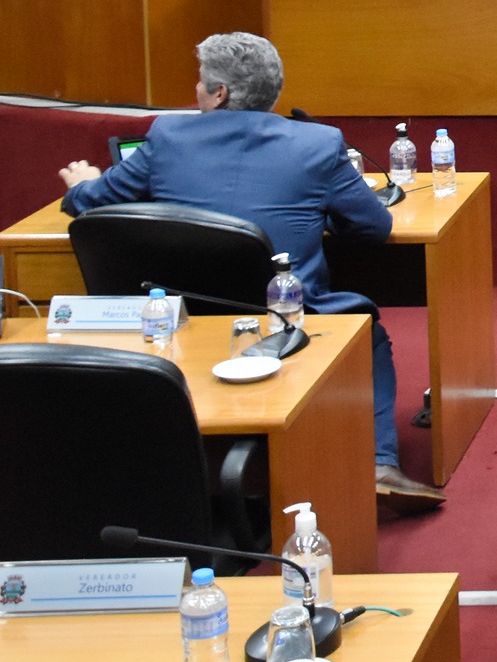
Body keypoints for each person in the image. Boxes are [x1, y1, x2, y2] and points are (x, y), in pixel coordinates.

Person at [55, 33, 444, 511]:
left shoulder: (166, 137)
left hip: (180, 315)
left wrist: (83, 184)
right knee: (367, 333)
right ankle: (378, 464)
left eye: (200, 83)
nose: (195, 91)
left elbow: (89, 204)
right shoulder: (319, 143)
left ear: (218, 94)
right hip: (286, 316)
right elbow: (373, 225)